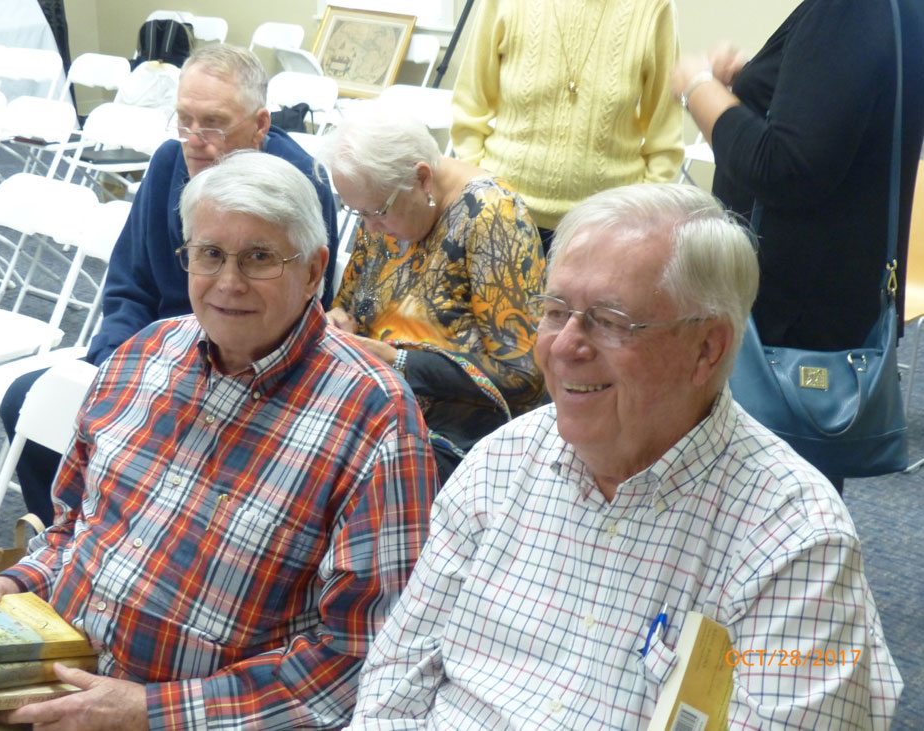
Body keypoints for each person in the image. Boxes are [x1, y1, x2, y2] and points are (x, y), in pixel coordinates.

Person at [343, 183, 903, 729]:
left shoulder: (793, 539)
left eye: (610, 322)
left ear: (708, 348)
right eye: (556, 311)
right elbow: (394, 683)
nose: (564, 348)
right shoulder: (499, 464)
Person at [0, 150, 438, 730]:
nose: (228, 283)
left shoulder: (376, 420)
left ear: (314, 270)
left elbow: (356, 660)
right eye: (209, 254)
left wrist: (149, 712)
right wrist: (13, 584)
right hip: (50, 679)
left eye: (259, 257)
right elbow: (71, 529)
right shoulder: (141, 356)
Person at [1, 43, 341, 527]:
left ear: (261, 124)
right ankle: (69, 531)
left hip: (243, 371)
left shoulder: (295, 184)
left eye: (214, 123)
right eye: (184, 120)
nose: (194, 138)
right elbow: (128, 286)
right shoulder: (167, 165)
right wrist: (114, 366)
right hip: (150, 354)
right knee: (27, 402)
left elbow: (306, 311)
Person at [671, 0, 924, 488]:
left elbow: (783, 167)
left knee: (756, 517)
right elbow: (833, 124)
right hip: (825, 304)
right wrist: (761, 81)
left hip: (783, 324)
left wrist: (698, 87)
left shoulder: (848, 11)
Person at [315, 102, 545, 481]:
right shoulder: (382, 203)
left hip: (453, 441)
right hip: (375, 410)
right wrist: (340, 320)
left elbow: (524, 376)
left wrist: (399, 361)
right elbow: (351, 303)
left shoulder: (490, 217)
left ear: (422, 179)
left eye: (376, 213)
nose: (370, 230)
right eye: (358, 215)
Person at [450, 0, 684, 251]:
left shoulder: (654, 7)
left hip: (608, 228)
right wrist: (483, 192)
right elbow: (469, 109)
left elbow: (665, 138)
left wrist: (638, 215)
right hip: (501, 215)